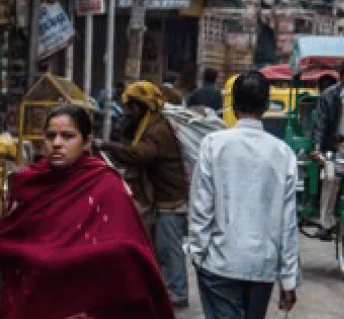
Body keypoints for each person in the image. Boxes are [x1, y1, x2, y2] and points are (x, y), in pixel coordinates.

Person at [0, 105, 174, 319]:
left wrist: (64, 256)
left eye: (67, 136)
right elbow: (15, 232)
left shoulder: (105, 181)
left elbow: (127, 244)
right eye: (50, 136)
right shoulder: (28, 180)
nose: (56, 143)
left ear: (86, 143)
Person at [188, 71, 299, 319]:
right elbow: (288, 223)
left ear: (233, 105)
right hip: (261, 267)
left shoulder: (213, 145)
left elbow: (201, 207)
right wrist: (288, 279)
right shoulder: (283, 153)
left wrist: (197, 253)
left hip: (219, 262)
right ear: (266, 106)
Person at [99, 81, 191, 308]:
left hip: (171, 199)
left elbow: (141, 155)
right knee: (160, 248)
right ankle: (164, 288)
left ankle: (177, 292)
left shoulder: (158, 130)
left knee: (169, 249)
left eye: (132, 107)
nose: (128, 112)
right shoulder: (149, 125)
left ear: (144, 107)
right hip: (160, 198)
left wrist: (106, 145)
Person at [310, 62, 344, 239]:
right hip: (334, 147)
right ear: (341, 77)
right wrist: (317, 149)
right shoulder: (329, 96)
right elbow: (320, 125)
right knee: (330, 178)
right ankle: (326, 224)